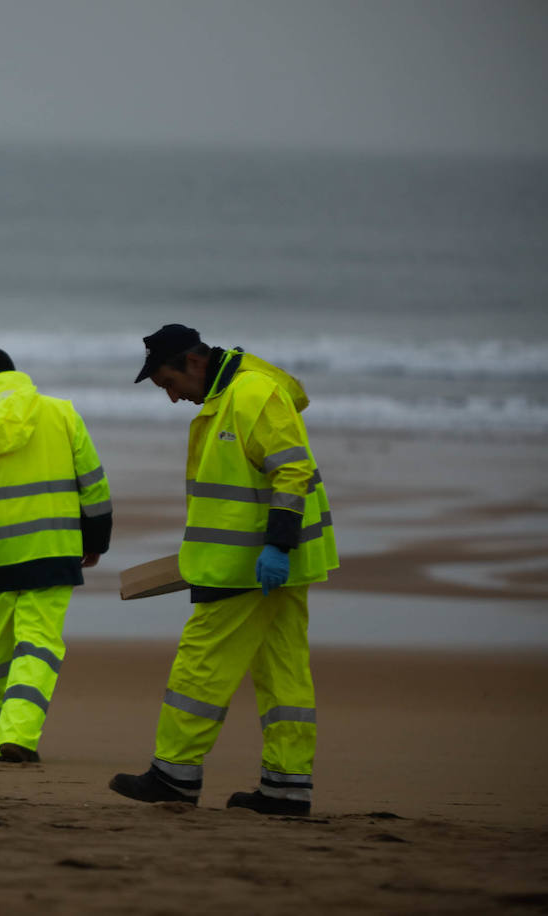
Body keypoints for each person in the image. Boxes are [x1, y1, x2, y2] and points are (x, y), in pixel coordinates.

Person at [109, 324, 338, 815]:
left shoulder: (251, 392)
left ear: (193, 363)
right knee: (284, 673)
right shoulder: (229, 397)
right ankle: (286, 788)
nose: (171, 398)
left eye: (169, 384)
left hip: (249, 566)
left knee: (201, 662)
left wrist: (276, 546)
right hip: (269, 562)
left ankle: (173, 776)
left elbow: (292, 469)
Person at [0, 348, 112, 763]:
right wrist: (96, 540)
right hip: (53, 552)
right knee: (39, 647)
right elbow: (94, 484)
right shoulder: (63, 414)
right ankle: (19, 735)